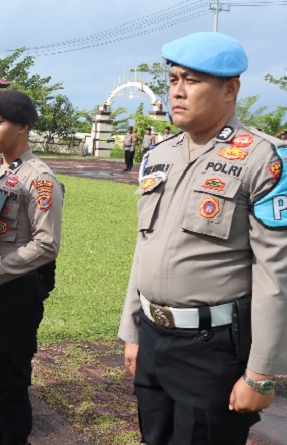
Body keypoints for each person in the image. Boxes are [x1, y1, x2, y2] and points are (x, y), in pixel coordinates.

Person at [119, 32, 287, 445]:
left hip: (211, 349)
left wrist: (261, 373)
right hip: (154, 338)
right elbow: (146, 247)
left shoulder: (263, 158)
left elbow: (275, 274)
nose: (177, 91)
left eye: (191, 81)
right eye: (173, 79)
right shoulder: (159, 155)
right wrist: (133, 330)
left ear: (230, 89)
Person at [0, 89, 64, 445]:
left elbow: (46, 245)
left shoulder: (40, 179)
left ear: (22, 127)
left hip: (15, 292)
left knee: (10, 378)